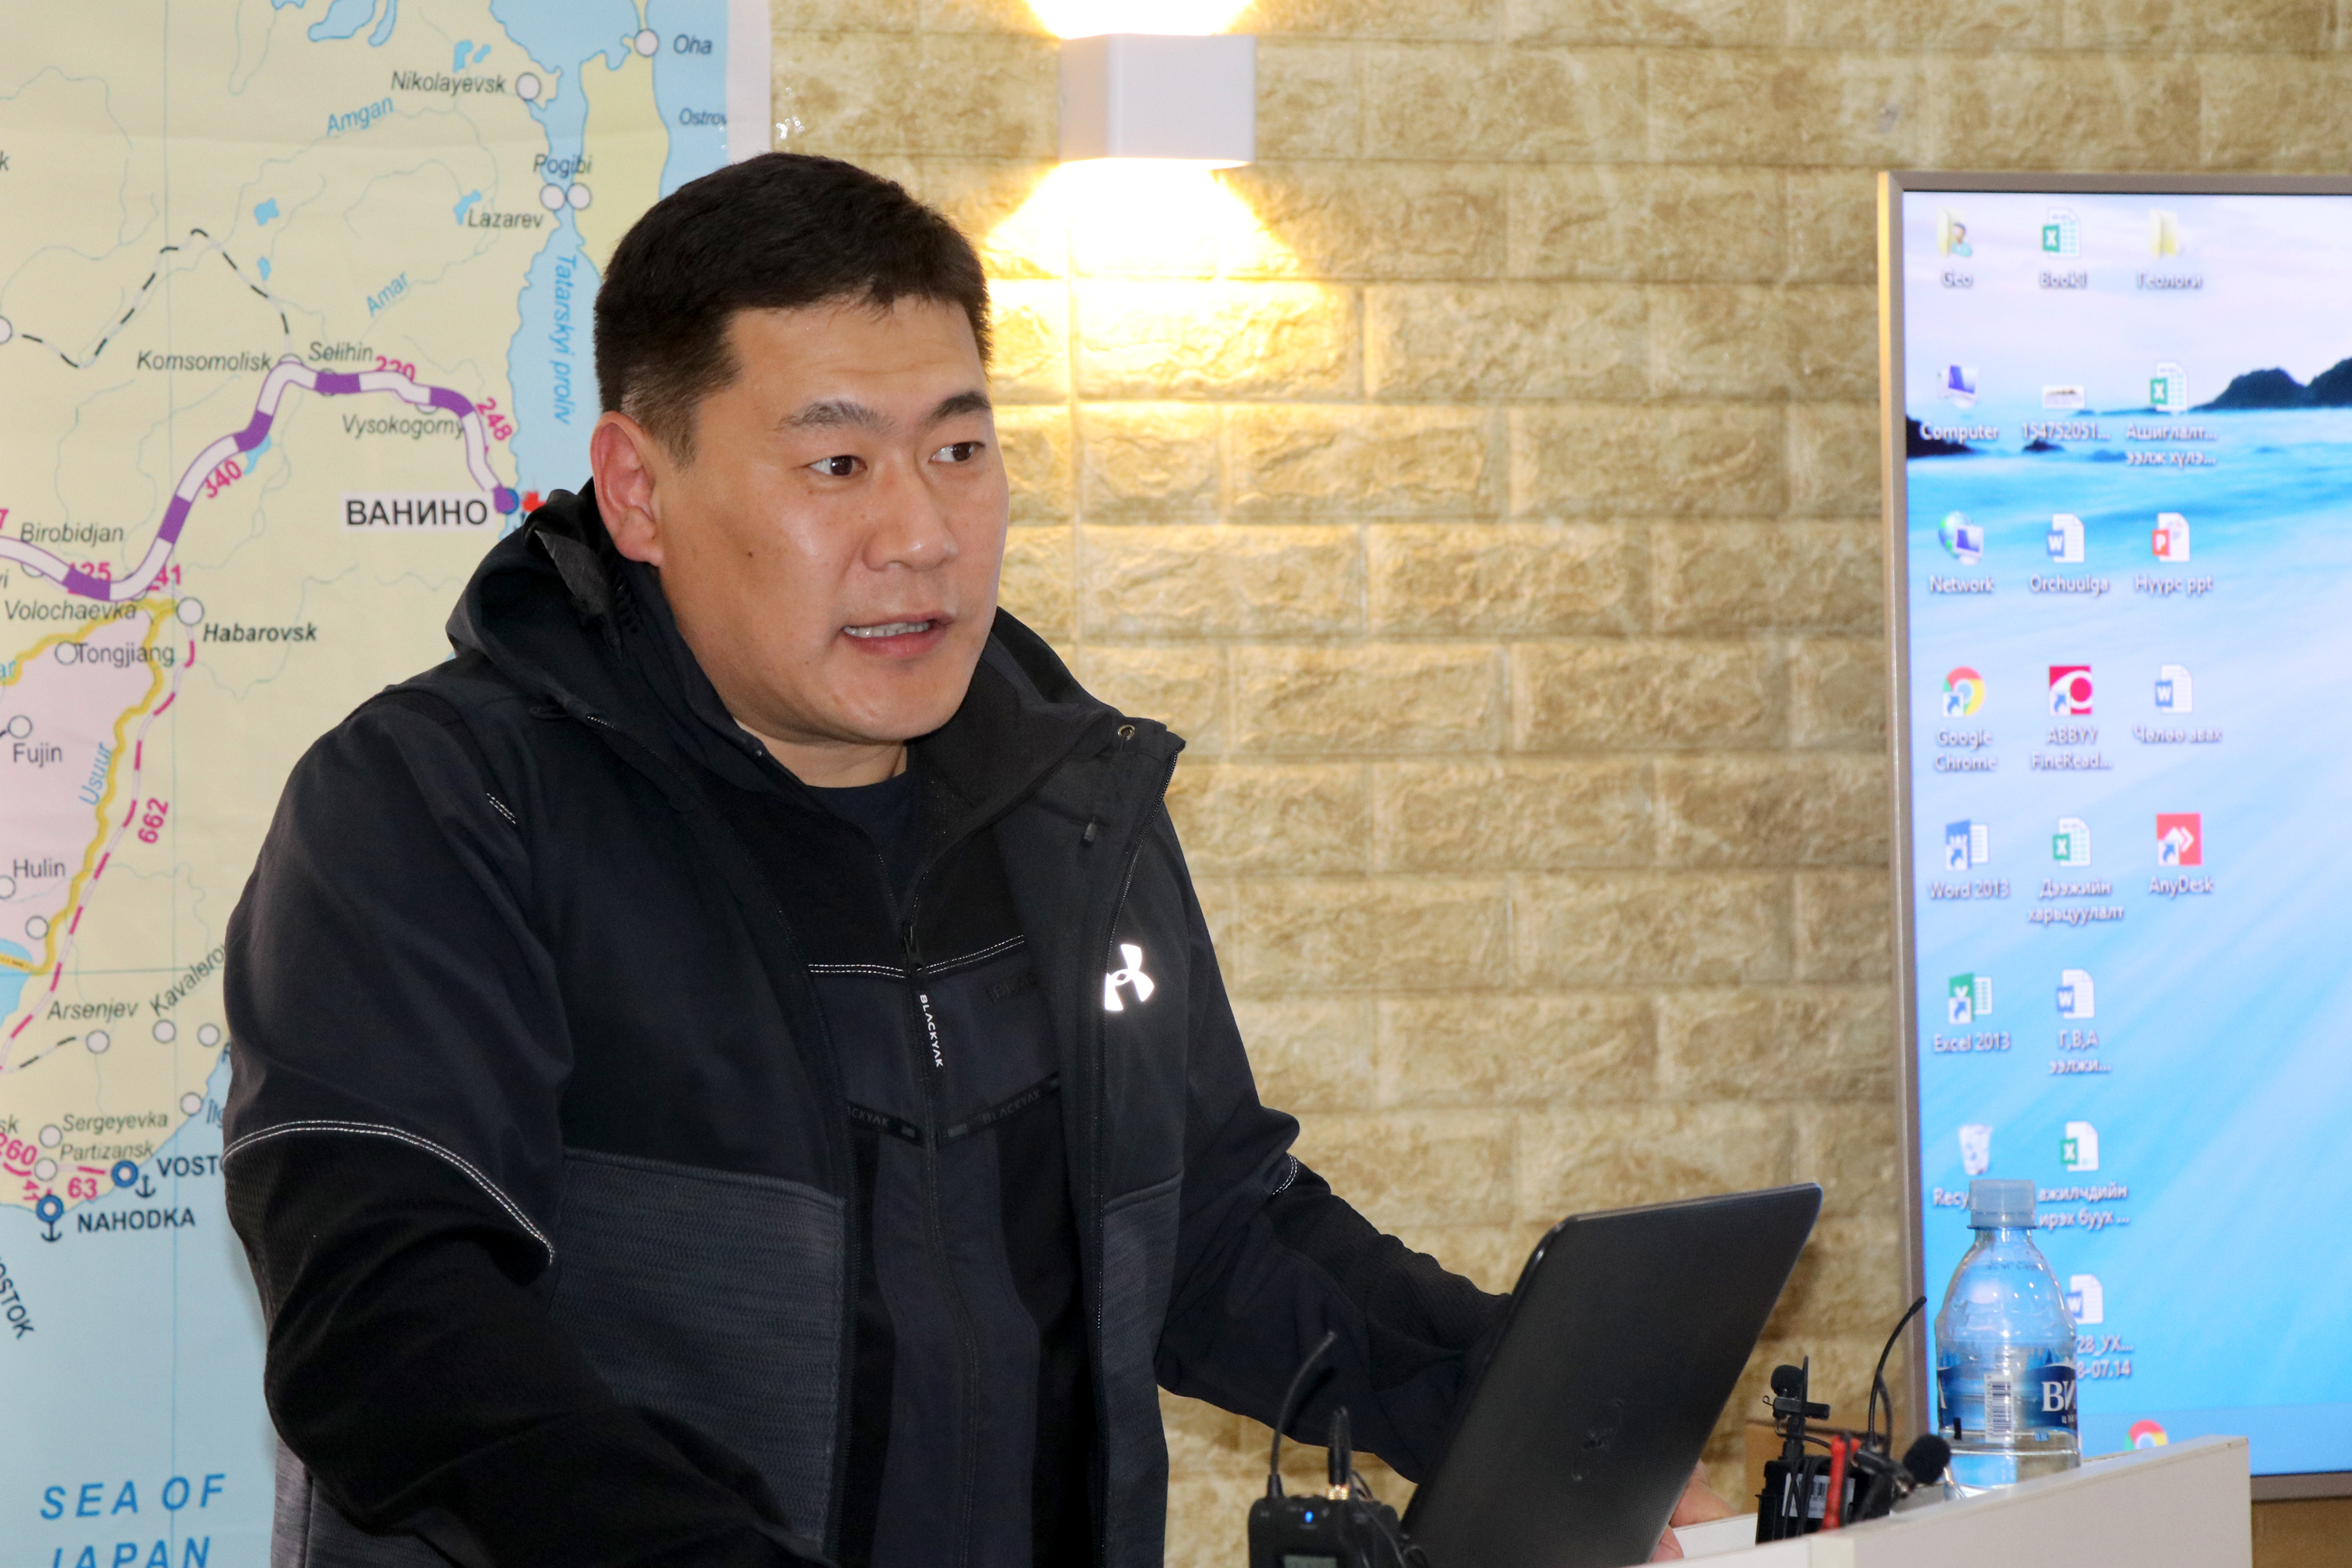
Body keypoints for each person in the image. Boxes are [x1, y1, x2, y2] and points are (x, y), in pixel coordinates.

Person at [221, 152, 1730, 1568]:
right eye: (836, 464)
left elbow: (1211, 1230)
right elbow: (394, 1324)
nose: (920, 533)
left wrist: (1548, 1427)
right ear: (638, 491)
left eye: (959, 449)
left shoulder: (1069, 808)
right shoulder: (442, 804)